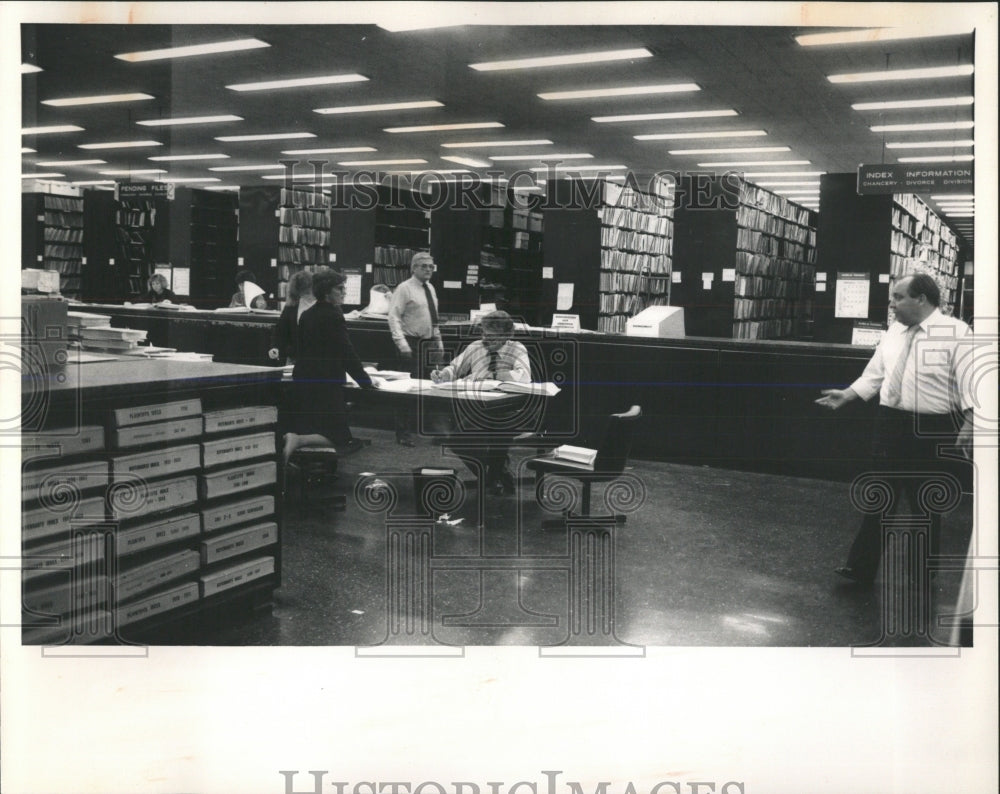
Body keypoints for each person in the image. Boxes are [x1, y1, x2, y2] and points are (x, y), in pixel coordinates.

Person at [815, 273, 974, 587]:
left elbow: (971, 383)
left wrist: (970, 424)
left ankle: (921, 574)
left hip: (929, 427)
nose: (891, 304)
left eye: (898, 297)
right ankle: (860, 569)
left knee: (925, 504)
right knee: (879, 497)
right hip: (889, 422)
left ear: (921, 299)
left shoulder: (956, 333)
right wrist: (847, 395)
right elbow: (875, 374)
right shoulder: (894, 331)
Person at [282, 268, 378, 464]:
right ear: (327, 292)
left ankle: (298, 447)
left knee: (314, 425)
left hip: (304, 378)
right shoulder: (333, 314)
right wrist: (365, 381)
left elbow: (299, 349)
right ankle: (297, 441)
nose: (344, 292)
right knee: (340, 437)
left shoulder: (307, 314)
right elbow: (346, 351)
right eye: (340, 289)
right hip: (326, 382)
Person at [431, 310, 532, 496]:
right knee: (456, 441)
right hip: (477, 408)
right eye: (484, 333)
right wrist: (444, 374)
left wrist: (494, 375)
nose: (486, 339)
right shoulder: (475, 347)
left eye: (492, 336)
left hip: (507, 410)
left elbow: (524, 377)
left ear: (506, 336)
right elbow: (455, 367)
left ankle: (492, 477)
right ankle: (498, 473)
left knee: (498, 437)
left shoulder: (517, 349)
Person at [387, 251, 443, 446]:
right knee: (407, 389)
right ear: (414, 268)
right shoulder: (404, 289)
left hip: (429, 342)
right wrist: (402, 344)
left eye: (431, 266)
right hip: (410, 343)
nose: (428, 270)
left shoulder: (431, 288)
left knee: (434, 385)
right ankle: (403, 433)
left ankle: (434, 430)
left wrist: (439, 341)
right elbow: (393, 317)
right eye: (424, 266)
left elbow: (434, 318)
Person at [268, 270, 315, 365]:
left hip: (316, 359)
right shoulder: (291, 306)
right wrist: (275, 347)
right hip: (294, 358)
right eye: (305, 292)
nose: (309, 294)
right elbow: (280, 330)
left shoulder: (322, 306)